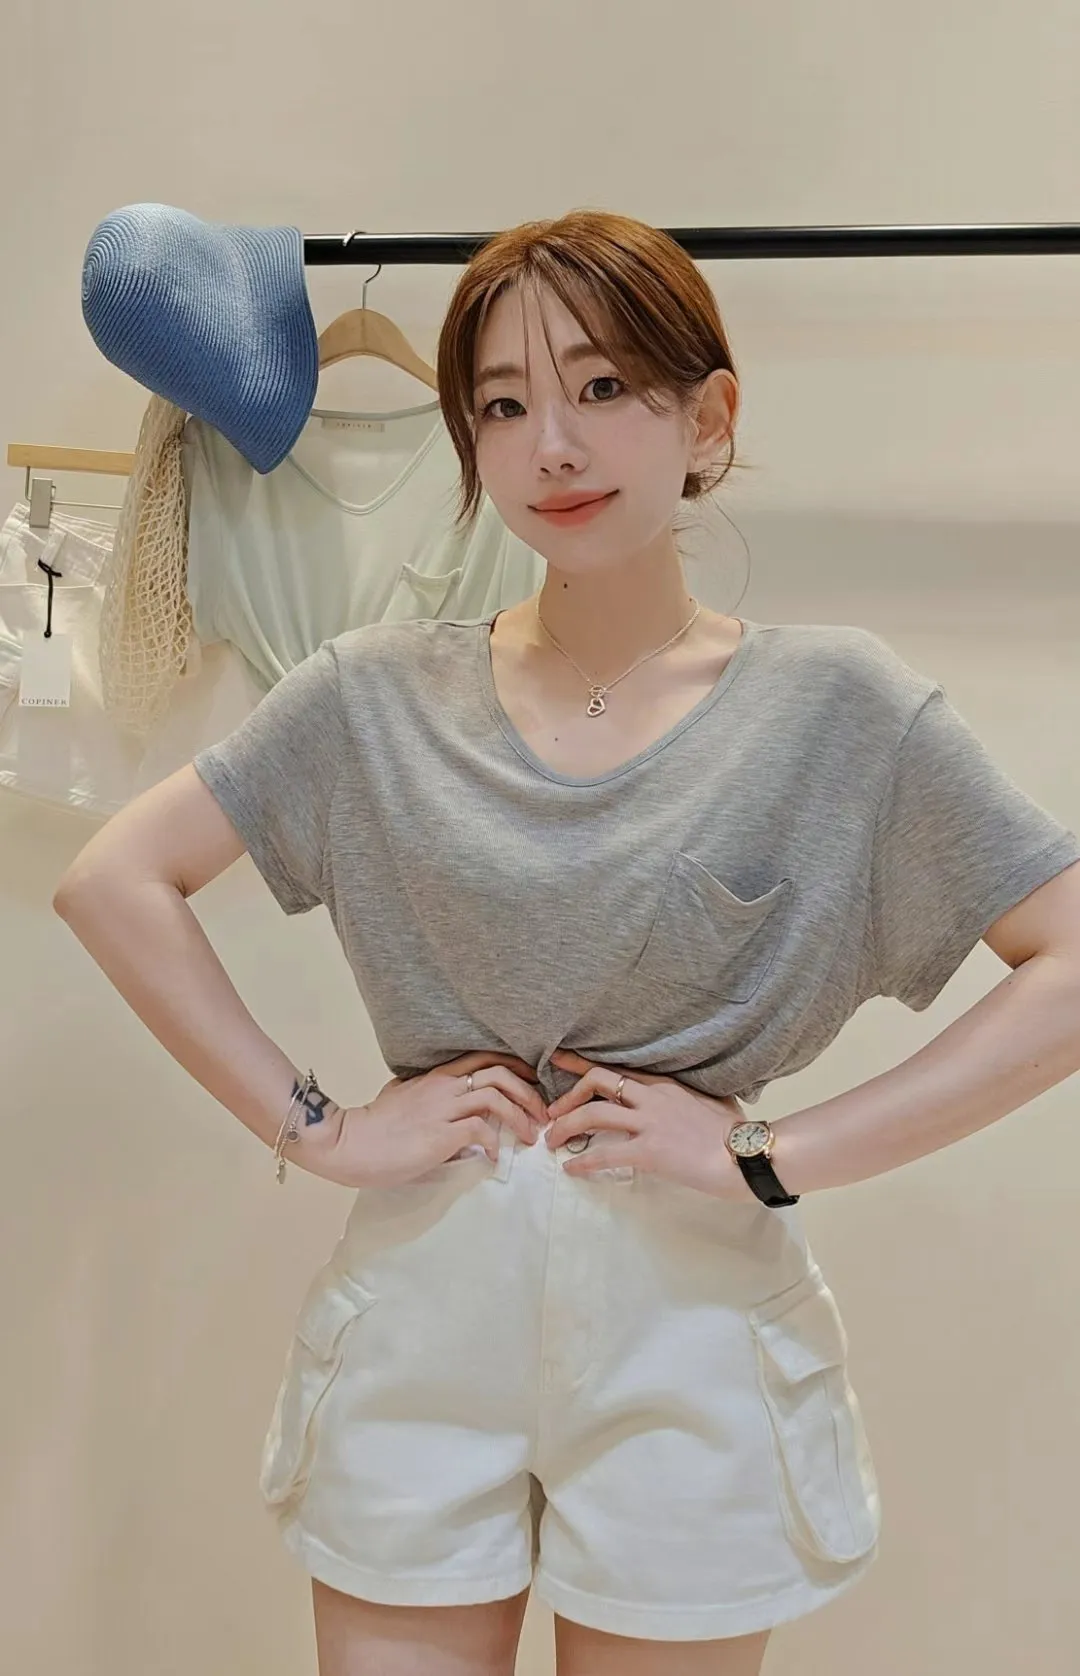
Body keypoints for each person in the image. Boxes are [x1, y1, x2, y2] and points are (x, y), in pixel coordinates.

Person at [53, 209, 1080, 1676]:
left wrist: (771, 1152)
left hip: (692, 1327)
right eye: (501, 406)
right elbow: (115, 882)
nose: (552, 446)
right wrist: (325, 1129)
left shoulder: (839, 709)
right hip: (425, 1306)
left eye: (603, 388)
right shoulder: (373, 695)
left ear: (707, 417)